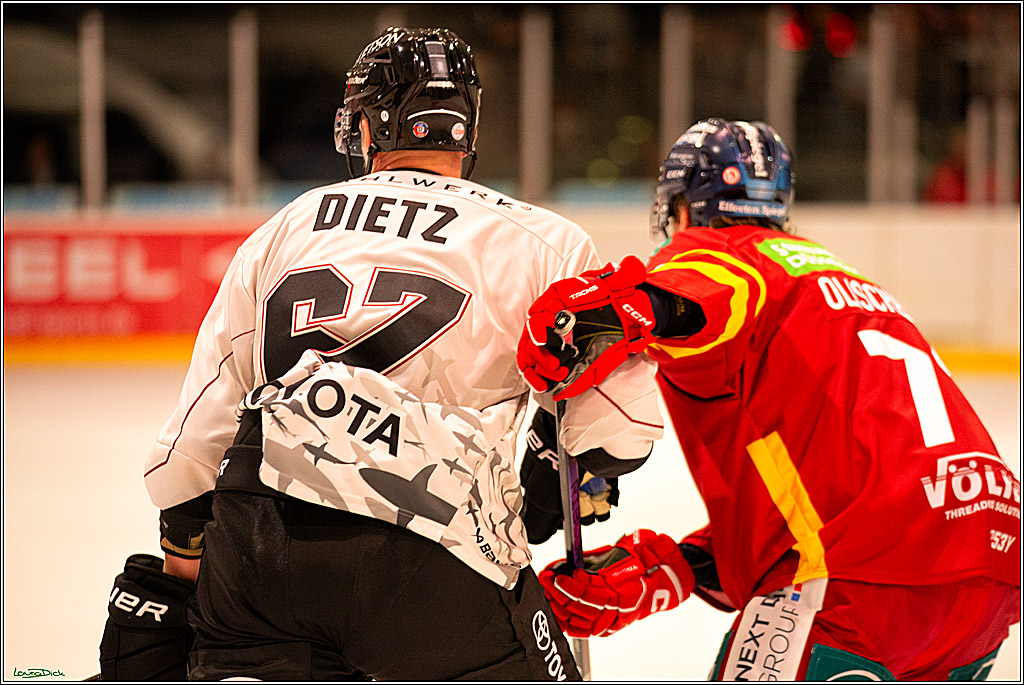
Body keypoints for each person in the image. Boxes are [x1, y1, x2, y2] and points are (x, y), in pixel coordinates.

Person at [97, 27, 663, 681]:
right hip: (437, 555)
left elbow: (190, 451)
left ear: (368, 127)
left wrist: (187, 573)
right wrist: (571, 465)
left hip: (264, 543)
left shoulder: (287, 225)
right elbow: (617, 429)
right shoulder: (546, 241)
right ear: (465, 128)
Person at [517, 118, 1021, 681]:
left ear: (682, 208)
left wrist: (595, 315)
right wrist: (676, 571)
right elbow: (841, 496)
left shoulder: (724, 254)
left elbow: (685, 301)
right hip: (988, 568)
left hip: (854, 584)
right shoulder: (846, 282)